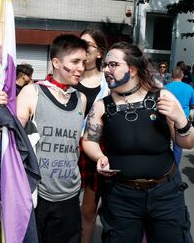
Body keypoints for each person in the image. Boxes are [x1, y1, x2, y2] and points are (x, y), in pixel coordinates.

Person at [82, 42, 194, 242]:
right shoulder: (102, 106)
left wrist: (180, 119)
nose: (107, 70)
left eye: (114, 65)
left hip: (165, 195)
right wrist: (99, 156)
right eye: (106, 65)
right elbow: (89, 140)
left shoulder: (162, 97)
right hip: (120, 197)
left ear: (133, 69)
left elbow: (188, 143)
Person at [0, 34, 88, 243]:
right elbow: (8, 136)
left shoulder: (80, 99)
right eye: (75, 61)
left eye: (84, 62)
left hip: (70, 194)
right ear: (56, 62)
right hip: (37, 195)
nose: (81, 68)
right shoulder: (32, 92)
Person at [75, 28, 109, 243]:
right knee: (65, 206)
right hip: (68, 149)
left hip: (98, 150)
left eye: (88, 45)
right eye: (80, 44)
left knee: (89, 210)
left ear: (99, 53)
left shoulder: (110, 82)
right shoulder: (68, 78)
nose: (83, 50)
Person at [165, 66, 194, 165]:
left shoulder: (165, 87)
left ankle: (165, 166)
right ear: (182, 75)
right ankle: (175, 168)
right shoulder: (189, 88)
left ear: (172, 75)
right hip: (182, 119)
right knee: (178, 145)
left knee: (165, 142)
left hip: (167, 117)